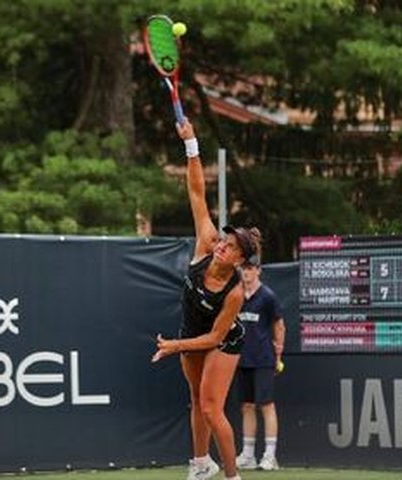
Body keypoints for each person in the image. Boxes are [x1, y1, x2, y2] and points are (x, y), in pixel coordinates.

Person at [152, 118, 261, 480]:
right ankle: (201, 465)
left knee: (213, 409)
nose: (221, 246)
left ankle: (232, 476)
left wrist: (174, 346)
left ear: (240, 260)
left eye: (229, 247)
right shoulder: (206, 243)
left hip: (221, 341)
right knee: (196, 402)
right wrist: (192, 143)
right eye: (222, 241)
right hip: (190, 333)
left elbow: (214, 338)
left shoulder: (234, 293)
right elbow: (197, 193)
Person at [234, 256, 285, 471]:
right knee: (246, 406)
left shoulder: (267, 296)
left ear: (258, 270)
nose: (246, 272)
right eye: (243, 268)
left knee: (266, 405)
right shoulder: (236, 296)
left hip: (263, 359)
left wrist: (278, 354)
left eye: (250, 268)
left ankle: (270, 456)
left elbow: (279, 325)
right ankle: (248, 455)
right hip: (241, 359)